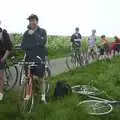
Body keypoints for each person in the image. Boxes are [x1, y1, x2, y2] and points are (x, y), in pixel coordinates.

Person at [21, 14, 48, 102]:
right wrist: (34, 45)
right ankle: (29, 93)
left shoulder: (42, 31)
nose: (32, 22)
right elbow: (23, 46)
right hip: (28, 58)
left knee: (41, 78)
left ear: (37, 21)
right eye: (30, 20)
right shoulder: (26, 33)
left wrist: (35, 34)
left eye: (33, 20)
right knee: (29, 76)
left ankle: (43, 96)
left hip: (39, 57)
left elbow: (42, 42)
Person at [0, 21, 12, 100]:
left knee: (0, 77)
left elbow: (9, 47)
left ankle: (0, 94)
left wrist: (4, 58)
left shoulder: (3, 33)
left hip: (1, 57)